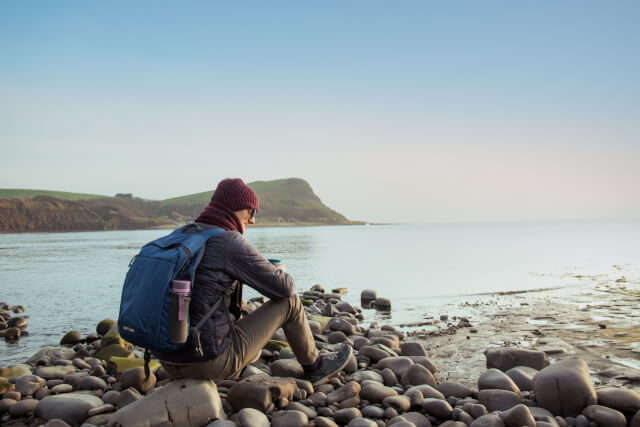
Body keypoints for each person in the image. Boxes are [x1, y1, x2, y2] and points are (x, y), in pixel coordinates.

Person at [156, 178, 352, 385]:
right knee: (291, 303)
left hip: (168, 359)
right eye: (251, 212)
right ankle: (316, 366)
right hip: (205, 362)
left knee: (241, 313)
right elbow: (284, 289)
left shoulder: (182, 236)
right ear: (234, 208)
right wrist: (277, 272)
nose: (253, 220)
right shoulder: (227, 241)